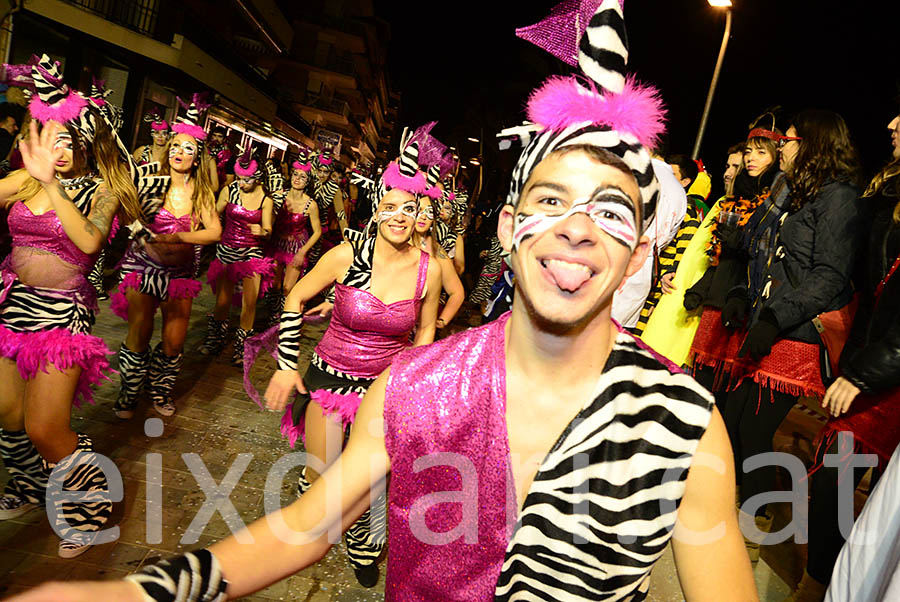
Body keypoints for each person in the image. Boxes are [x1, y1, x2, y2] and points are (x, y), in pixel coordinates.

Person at [8, 4, 757, 600]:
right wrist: (146, 593)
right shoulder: (418, 386)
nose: (576, 231)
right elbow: (303, 529)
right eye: (551, 199)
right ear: (508, 225)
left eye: (611, 211)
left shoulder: (683, 423)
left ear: (638, 247)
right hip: (338, 378)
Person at [245, 139, 441, 587]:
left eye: (408, 209)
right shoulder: (348, 254)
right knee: (324, 471)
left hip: (382, 391)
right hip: (330, 381)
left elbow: (427, 329)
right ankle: (309, 508)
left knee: (371, 480)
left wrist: (411, 376)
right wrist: (287, 364)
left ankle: (364, 542)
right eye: (389, 206)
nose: (398, 216)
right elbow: (295, 297)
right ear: (375, 210)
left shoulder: (429, 270)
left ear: (417, 218)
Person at [0, 55, 142, 558]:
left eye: (67, 139)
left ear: (82, 144)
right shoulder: (24, 181)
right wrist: (28, 177)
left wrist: (55, 187)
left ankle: (89, 505)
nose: (57, 148)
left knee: (45, 427)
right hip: (13, 310)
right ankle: (26, 485)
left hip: (62, 317)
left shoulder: (99, 191)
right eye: (50, 136)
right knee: (7, 414)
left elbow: (86, 244)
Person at [718, 110, 862, 563]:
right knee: (731, 418)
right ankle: (738, 508)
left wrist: (775, 317)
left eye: (790, 140)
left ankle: (755, 527)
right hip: (770, 321)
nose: (782, 146)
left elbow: (828, 277)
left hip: (798, 331)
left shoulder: (839, 198)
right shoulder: (798, 193)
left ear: (815, 145)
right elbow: (767, 259)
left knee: (754, 425)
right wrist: (743, 293)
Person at [781, 113, 900, 602]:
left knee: (866, 489)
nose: (890, 121)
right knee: (840, 474)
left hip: (886, 365)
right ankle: (823, 580)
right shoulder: (886, 188)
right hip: (876, 353)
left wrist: (868, 370)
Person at [109, 95, 221, 419]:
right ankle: (129, 392)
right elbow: (124, 210)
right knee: (140, 333)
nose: (179, 152)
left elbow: (214, 231)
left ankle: (158, 388)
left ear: (197, 158)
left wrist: (178, 236)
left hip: (180, 275)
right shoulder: (147, 182)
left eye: (188, 148)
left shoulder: (201, 193)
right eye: (175, 146)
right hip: (144, 267)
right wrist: (138, 230)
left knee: (173, 341)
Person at [200, 145, 275, 366]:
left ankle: (243, 347)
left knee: (248, 304)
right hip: (227, 250)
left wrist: (263, 231)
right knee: (222, 302)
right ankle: (216, 339)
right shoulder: (229, 190)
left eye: (248, 179)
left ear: (258, 177)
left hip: (252, 254)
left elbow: (269, 229)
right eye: (240, 178)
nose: (242, 183)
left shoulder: (266, 199)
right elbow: (213, 214)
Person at [265, 153, 321, 321]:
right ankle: (272, 317)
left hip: (296, 246)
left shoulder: (311, 204)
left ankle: (283, 321)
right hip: (277, 243)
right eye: (295, 174)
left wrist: (302, 252)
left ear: (308, 181)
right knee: (274, 285)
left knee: (288, 287)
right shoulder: (279, 195)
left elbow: (317, 231)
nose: (297, 178)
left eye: (302, 176)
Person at [411, 191, 463, 330]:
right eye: (419, 210)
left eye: (429, 212)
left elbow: (457, 292)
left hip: (417, 330)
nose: (423, 217)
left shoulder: (435, 249)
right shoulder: (395, 243)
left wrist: (441, 321)